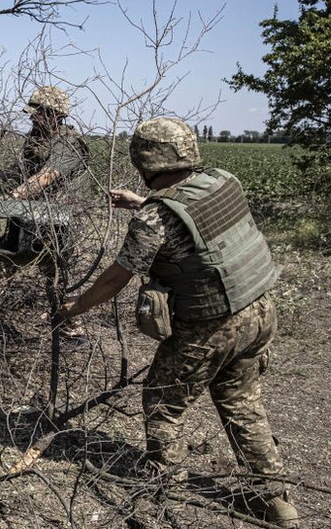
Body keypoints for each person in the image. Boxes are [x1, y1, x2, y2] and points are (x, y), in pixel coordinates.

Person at [57, 117, 298, 527]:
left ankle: (167, 493)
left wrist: (75, 307)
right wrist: (143, 202)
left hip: (210, 326)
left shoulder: (154, 218)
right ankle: (277, 501)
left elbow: (117, 277)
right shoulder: (223, 180)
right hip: (259, 310)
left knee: (162, 404)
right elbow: (196, 221)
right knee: (242, 403)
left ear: (146, 161)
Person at [0, 86, 91, 338]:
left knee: (57, 270)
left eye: (37, 113)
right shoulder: (37, 138)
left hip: (62, 218)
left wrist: (13, 197)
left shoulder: (68, 142)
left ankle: (72, 329)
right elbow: (24, 168)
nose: (31, 118)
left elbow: (46, 176)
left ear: (54, 115)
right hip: (37, 212)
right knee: (0, 253)